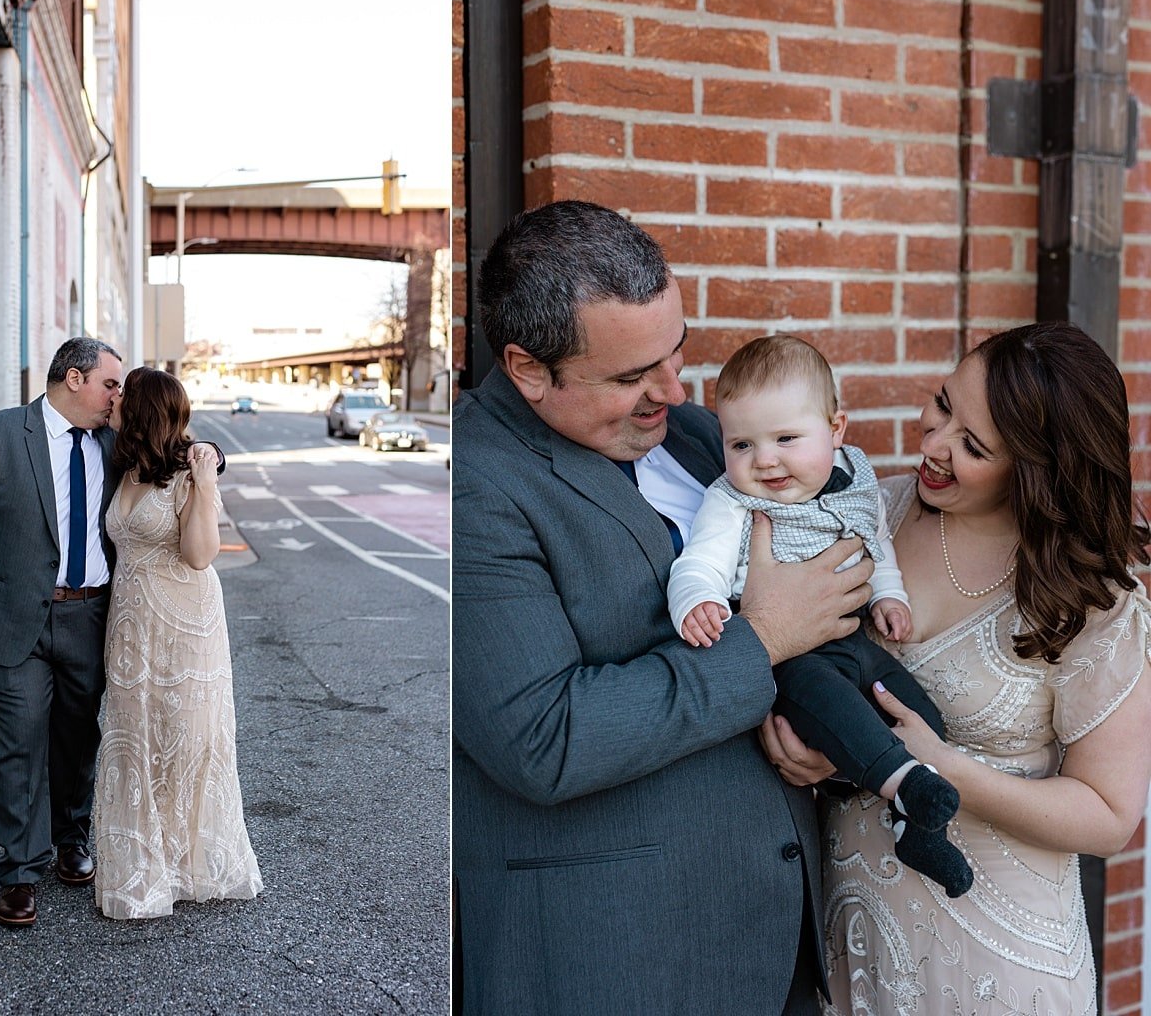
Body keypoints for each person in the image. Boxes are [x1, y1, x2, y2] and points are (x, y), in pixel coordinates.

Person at [452, 200, 876, 1015]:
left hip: (773, 932)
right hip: (616, 957)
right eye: (630, 377)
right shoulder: (472, 482)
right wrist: (762, 641)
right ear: (529, 369)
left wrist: (829, 737)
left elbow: (823, 588)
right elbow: (544, 739)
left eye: (675, 352)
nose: (674, 391)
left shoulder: (701, 435)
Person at [763, 322, 1151, 1014]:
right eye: (942, 405)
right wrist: (833, 752)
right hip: (852, 941)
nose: (934, 444)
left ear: (1037, 469)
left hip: (999, 962)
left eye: (973, 446)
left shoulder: (1092, 598)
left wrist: (941, 767)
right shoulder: (867, 514)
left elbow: (1108, 816)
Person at [667, 334, 971, 898]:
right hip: (790, 659)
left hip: (853, 639)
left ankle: (918, 831)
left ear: (836, 429)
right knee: (834, 706)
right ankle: (904, 786)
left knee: (920, 715)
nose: (765, 460)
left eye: (786, 438)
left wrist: (889, 596)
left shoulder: (857, 478)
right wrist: (697, 600)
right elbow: (700, 562)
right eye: (741, 444)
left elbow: (877, 545)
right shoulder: (732, 501)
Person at [0, 337, 124, 927]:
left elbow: (173, 454)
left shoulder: (114, 442)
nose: (116, 396)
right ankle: (19, 871)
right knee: (21, 742)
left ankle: (70, 838)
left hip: (89, 617)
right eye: (110, 384)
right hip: (14, 619)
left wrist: (209, 454)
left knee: (77, 739)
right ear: (74, 378)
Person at [92, 366, 262, 919]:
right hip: (131, 625)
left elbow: (199, 555)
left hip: (186, 624)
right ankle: (145, 864)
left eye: (122, 394)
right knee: (135, 736)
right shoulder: (125, 463)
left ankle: (190, 865)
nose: (113, 400)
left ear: (141, 409)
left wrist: (207, 485)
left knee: (185, 739)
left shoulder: (189, 472)